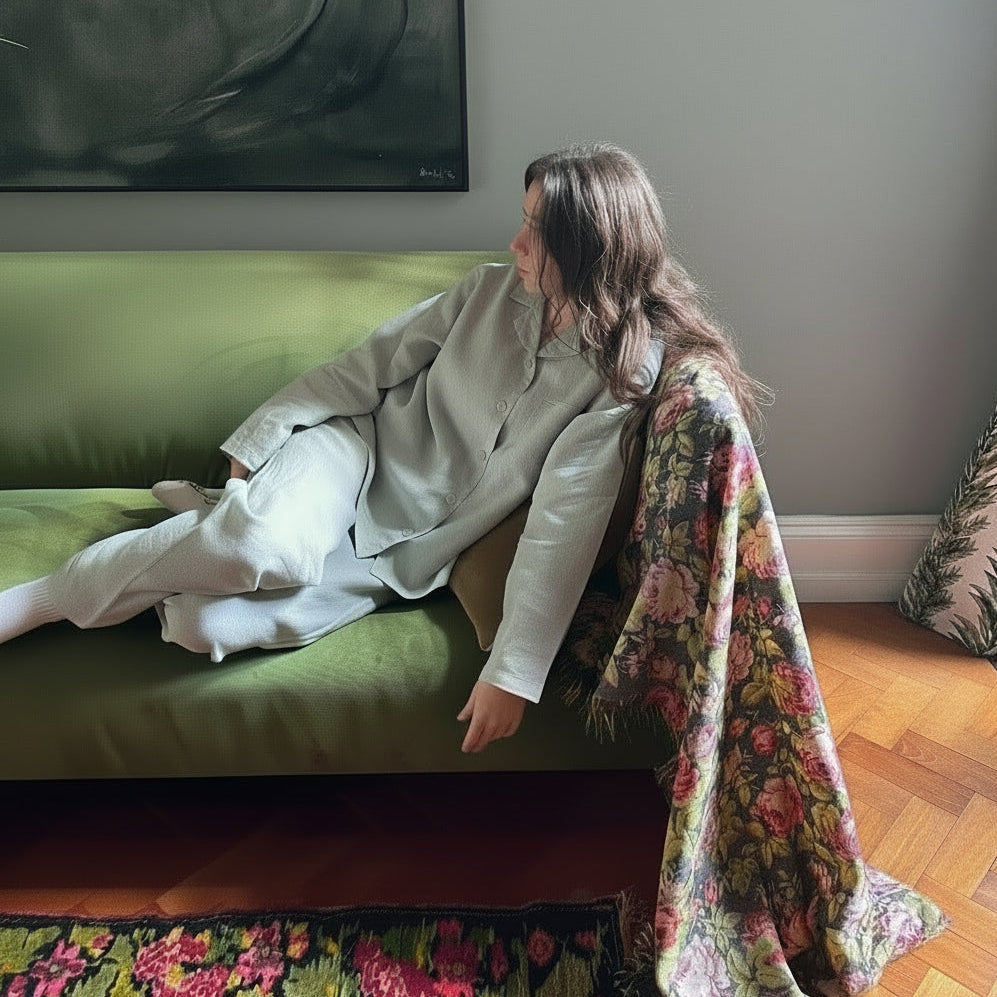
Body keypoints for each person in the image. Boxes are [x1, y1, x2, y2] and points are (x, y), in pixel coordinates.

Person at [0, 143, 763, 753]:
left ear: (588, 247)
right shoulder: (483, 293)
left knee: (207, 625)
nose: (514, 241)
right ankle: (39, 598)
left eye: (536, 230)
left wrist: (513, 672)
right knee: (268, 549)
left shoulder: (620, 377)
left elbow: (565, 519)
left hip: (404, 557)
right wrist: (260, 442)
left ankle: (205, 530)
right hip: (351, 458)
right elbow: (360, 373)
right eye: (521, 219)